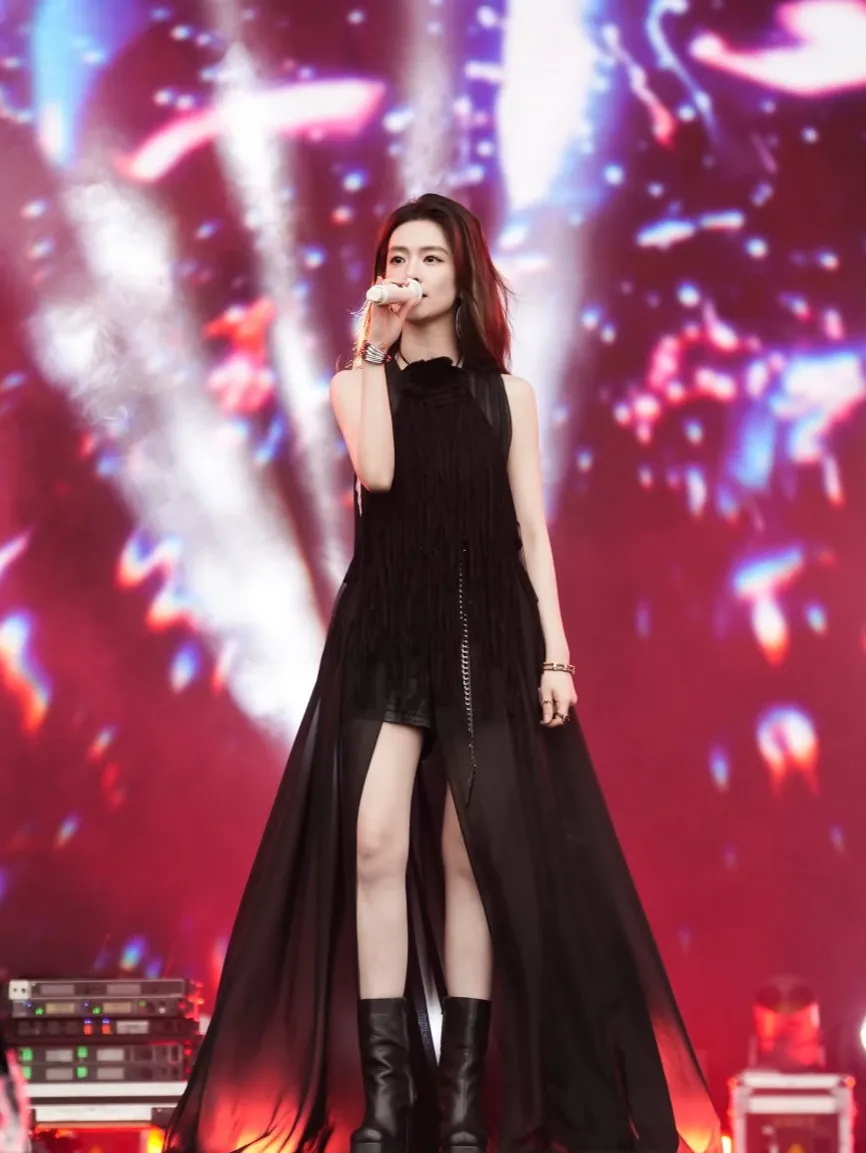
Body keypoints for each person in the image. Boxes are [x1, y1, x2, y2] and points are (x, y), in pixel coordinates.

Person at [164, 193, 721, 1153]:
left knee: (474, 855)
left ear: (463, 275)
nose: (411, 272)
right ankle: (389, 1106)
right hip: (388, 634)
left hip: (485, 638)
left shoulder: (508, 398)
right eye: (397, 257)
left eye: (430, 257)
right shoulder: (356, 383)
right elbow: (378, 473)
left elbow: (530, 532)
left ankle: (461, 1106)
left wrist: (556, 652)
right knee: (375, 840)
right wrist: (373, 347)